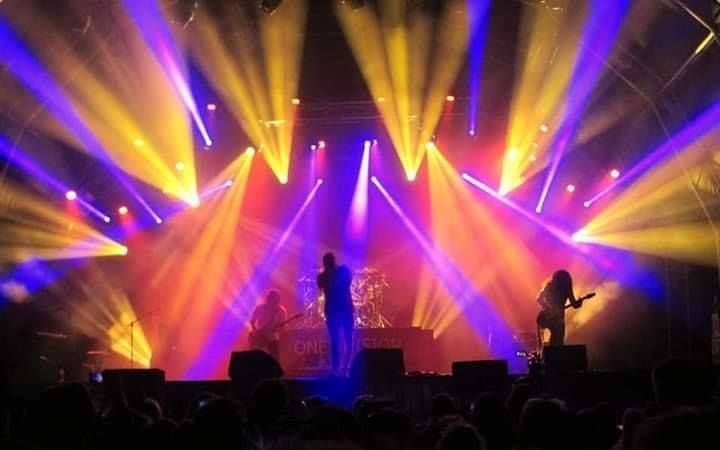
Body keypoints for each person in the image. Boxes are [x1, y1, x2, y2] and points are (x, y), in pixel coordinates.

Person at [317, 252, 354, 375]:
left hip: (339, 311)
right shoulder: (324, 276)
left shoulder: (341, 271)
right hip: (339, 311)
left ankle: (341, 368)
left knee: (340, 340)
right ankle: (339, 368)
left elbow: (348, 281)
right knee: (340, 340)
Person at [536, 270, 583, 347]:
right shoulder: (566, 288)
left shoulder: (550, 285)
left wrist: (548, 308)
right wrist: (580, 302)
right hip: (557, 319)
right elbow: (575, 305)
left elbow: (539, 299)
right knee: (557, 345)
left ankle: (545, 353)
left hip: (545, 317)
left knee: (544, 345)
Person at [249, 289, 287, 361]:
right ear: (268, 298)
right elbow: (252, 321)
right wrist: (255, 331)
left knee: (275, 358)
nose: (272, 301)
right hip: (259, 337)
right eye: (271, 298)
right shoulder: (259, 308)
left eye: (275, 299)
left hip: (272, 338)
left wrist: (278, 330)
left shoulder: (281, 311)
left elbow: (282, 328)